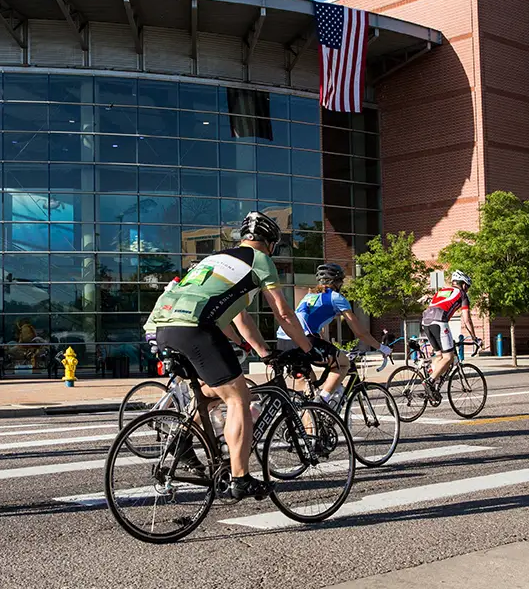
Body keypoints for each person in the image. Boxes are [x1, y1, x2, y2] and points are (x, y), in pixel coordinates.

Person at [151, 211, 316, 501]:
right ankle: (240, 478)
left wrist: (263, 351)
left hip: (163, 326)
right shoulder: (260, 260)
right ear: (270, 243)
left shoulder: (215, 260)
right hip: (194, 328)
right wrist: (308, 349)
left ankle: (182, 439)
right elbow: (283, 312)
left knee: (213, 389)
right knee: (239, 397)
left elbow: (239, 317)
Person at [277, 262, 392, 403]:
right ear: (336, 282)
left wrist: (335, 349)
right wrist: (381, 348)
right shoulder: (336, 298)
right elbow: (360, 332)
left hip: (283, 339)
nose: (342, 284)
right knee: (343, 364)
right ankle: (323, 402)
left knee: (309, 392)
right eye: (341, 281)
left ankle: (312, 417)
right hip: (303, 339)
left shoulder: (310, 295)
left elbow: (316, 329)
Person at [421, 270, 481, 393]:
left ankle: (432, 382)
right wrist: (474, 338)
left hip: (425, 321)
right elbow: (467, 319)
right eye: (467, 287)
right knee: (449, 357)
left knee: (439, 355)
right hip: (439, 321)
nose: (467, 290)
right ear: (464, 285)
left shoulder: (441, 291)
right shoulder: (462, 294)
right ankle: (430, 381)